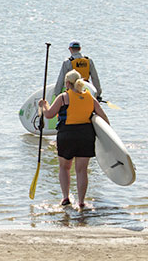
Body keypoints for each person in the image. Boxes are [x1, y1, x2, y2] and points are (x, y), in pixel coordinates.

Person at [38, 69, 110, 210]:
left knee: (64, 168)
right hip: (86, 136)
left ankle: (65, 198)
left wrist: (43, 105)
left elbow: (49, 115)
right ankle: (81, 201)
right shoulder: (90, 97)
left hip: (67, 135)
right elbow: (104, 119)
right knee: (82, 170)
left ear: (67, 83)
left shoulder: (64, 97)